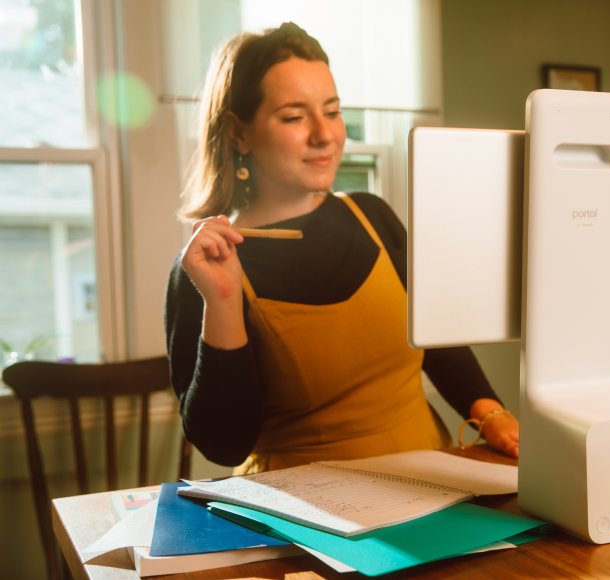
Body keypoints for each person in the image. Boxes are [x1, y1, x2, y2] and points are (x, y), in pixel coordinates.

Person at [164, 23, 519, 475]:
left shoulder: (372, 217)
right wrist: (225, 302)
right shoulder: (205, 270)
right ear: (239, 134)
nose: (325, 134)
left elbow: (439, 343)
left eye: (331, 112)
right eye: (294, 117)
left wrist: (492, 413)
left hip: (435, 484)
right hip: (306, 514)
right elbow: (225, 444)